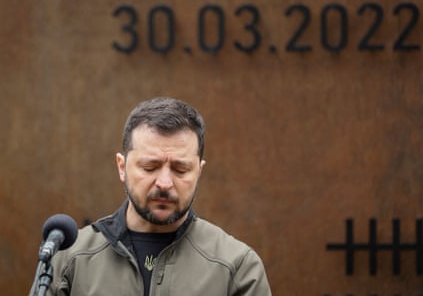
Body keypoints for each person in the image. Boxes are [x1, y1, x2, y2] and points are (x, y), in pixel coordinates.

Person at [47, 97, 272, 296]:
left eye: (180, 169)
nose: (164, 183)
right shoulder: (69, 259)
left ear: (199, 172)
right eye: (149, 167)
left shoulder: (237, 266)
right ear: (122, 167)